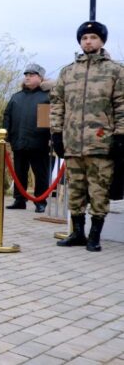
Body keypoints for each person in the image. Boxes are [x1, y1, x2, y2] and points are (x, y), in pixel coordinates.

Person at [51, 21, 123, 252]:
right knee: (75, 190)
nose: (88, 41)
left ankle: (95, 236)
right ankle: (77, 233)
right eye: (84, 38)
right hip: (72, 143)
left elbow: (121, 105)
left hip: (101, 142)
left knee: (99, 191)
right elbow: (57, 104)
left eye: (92, 37)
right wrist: (56, 133)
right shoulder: (68, 72)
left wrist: (120, 135)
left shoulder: (115, 71)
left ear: (102, 41)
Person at [3, 63, 50, 213]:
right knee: (19, 172)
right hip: (19, 141)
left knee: (40, 174)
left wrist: (50, 138)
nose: (27, 77)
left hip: (39, 143)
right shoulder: (16, 97)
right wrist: (7, 135)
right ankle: (19, 199)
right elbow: (7, 117)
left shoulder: (46, 97)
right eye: (26, 75)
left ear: (40, 78)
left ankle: (40, 201)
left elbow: (48, 122)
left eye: (32, 75)